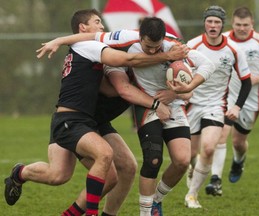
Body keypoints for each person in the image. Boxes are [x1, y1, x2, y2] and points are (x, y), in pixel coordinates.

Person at [4, 10, 188, 216]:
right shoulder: (88, 45)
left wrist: (168, 86)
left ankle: (103, 214)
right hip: (71, 119)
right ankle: (23, 175)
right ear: (83, 28)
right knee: (74, 168)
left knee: (124, 167)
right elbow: (126, 66)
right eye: (97, 22)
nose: (102, 26)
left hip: (93, 121)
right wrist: (167, 58)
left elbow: (111, 88)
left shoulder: (95, 48)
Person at [38, 17, 215, 216]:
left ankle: (142, 204)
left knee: (133, 167)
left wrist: (182, 89)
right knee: (65, 173)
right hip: (75, 119)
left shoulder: (174, 46)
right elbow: (122, 85)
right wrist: (59, 40)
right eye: (97, 21)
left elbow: (198, 77)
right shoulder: (103, 46)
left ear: (164, 39)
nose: (151, 51)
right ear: (139, 37)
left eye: (156, 47)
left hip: (98, 120)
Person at [206, 6, 259, 196]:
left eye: (245, 25)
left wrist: (255, 79)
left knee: (239, 142)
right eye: (238, 25)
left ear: (252, 24)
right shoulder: (223, 39)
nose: (242, 28)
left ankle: (239, 161)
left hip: (251, 100)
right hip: (226, 97)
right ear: (232, 23)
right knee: (221, 135)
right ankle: (215, 180)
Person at [182, 5, 252, 209]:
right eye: (209, 21)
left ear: (222, 25)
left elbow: (246, 81)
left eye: (217, 22)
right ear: (205, 22)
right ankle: (192, 169)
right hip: (191, 104)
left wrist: (237, 107)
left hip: (216, 104)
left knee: (210, 148)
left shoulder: (233, 50)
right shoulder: (192, 45)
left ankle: (192, 195)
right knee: (190, 154)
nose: (213, 25)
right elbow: (179, 71)